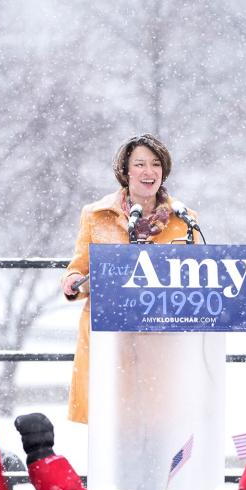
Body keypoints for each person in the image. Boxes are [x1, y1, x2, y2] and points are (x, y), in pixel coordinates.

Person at [61, 134, 199, 424]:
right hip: (110, 342)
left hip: (163, 342)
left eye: (156, 164)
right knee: (113, 428)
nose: (149, 172)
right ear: (125, 171)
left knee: (160, 427)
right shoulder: (96, 216)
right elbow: (78, 268)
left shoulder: (185, 219)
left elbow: (198, 277)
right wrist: (73, 281)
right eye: (140, 164)